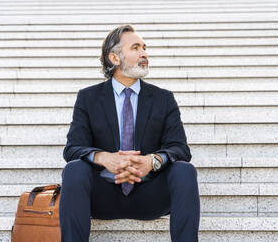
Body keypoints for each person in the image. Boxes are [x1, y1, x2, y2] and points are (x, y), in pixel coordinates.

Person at [59, 24, 200, 242]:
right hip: (102, 195)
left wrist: (152, 161)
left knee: (184, 171)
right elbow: (73, 148)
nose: (144, 54)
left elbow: (180, 148)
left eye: (144, 48)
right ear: (114, 58)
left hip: (150, 196)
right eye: (135, 48)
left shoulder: (163, 99)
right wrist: (105, 158)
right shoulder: (88, 98)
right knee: (74, 169)